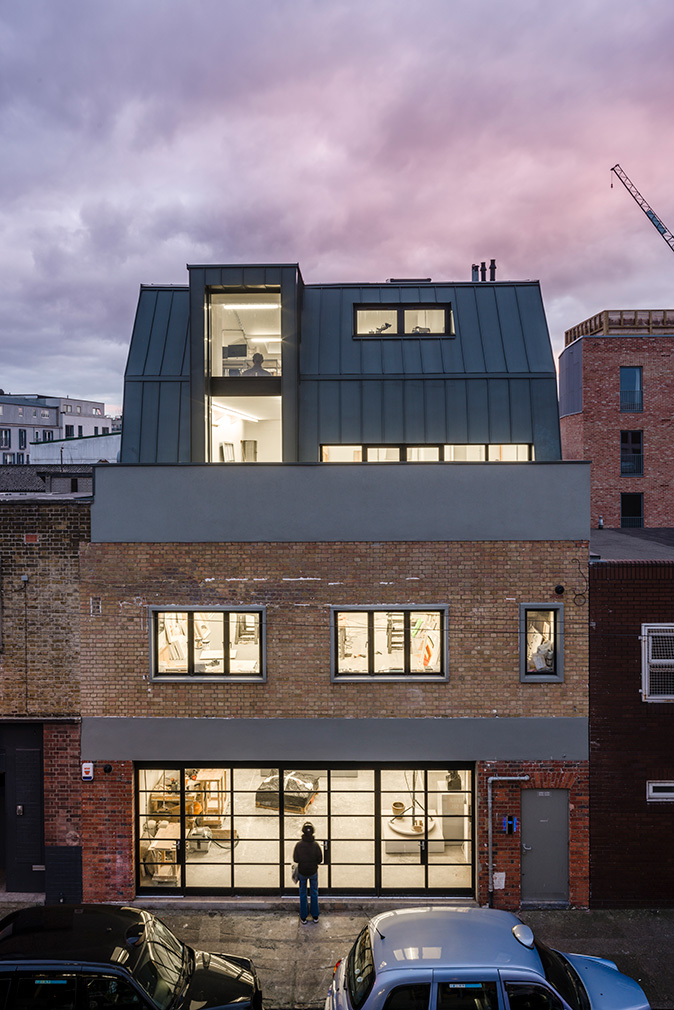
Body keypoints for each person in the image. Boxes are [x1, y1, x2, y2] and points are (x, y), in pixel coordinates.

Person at [293, 821, 322, 923]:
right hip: (313, 871)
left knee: (303, 893)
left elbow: (296, 859)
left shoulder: (299, 845)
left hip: (302, 872)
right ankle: (315, 916)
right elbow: (320, 860)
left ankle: (303, 916)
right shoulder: (315, 845)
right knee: (314, 892)